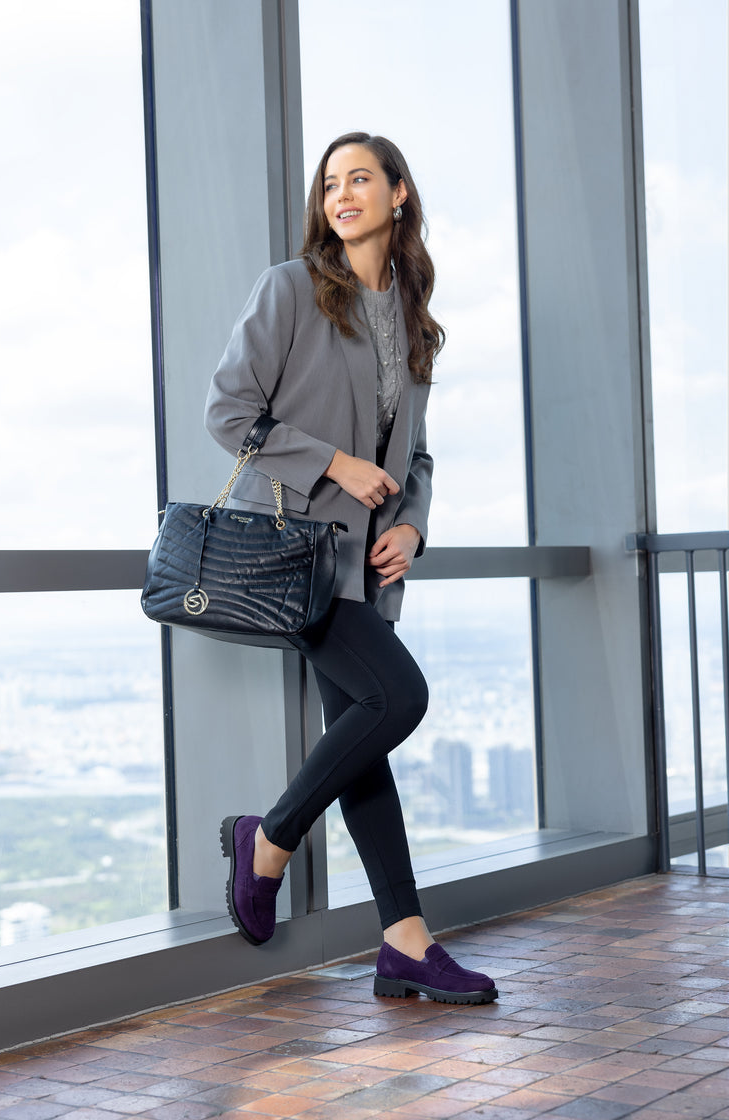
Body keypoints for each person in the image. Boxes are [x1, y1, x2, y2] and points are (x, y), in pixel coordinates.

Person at [204, 132, 497, 1005]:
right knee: (396, 700)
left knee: (363, 745)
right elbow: (229, 412)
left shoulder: (412, 316)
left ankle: (405, 943)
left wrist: (412, 526)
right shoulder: (291, 290)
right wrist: (335, 464)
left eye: (360, 178)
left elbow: (419, 460)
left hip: (368, 566)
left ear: (399, 194)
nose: (342, 194)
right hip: (298, 555)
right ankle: (270, 838)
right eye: (331, 182)